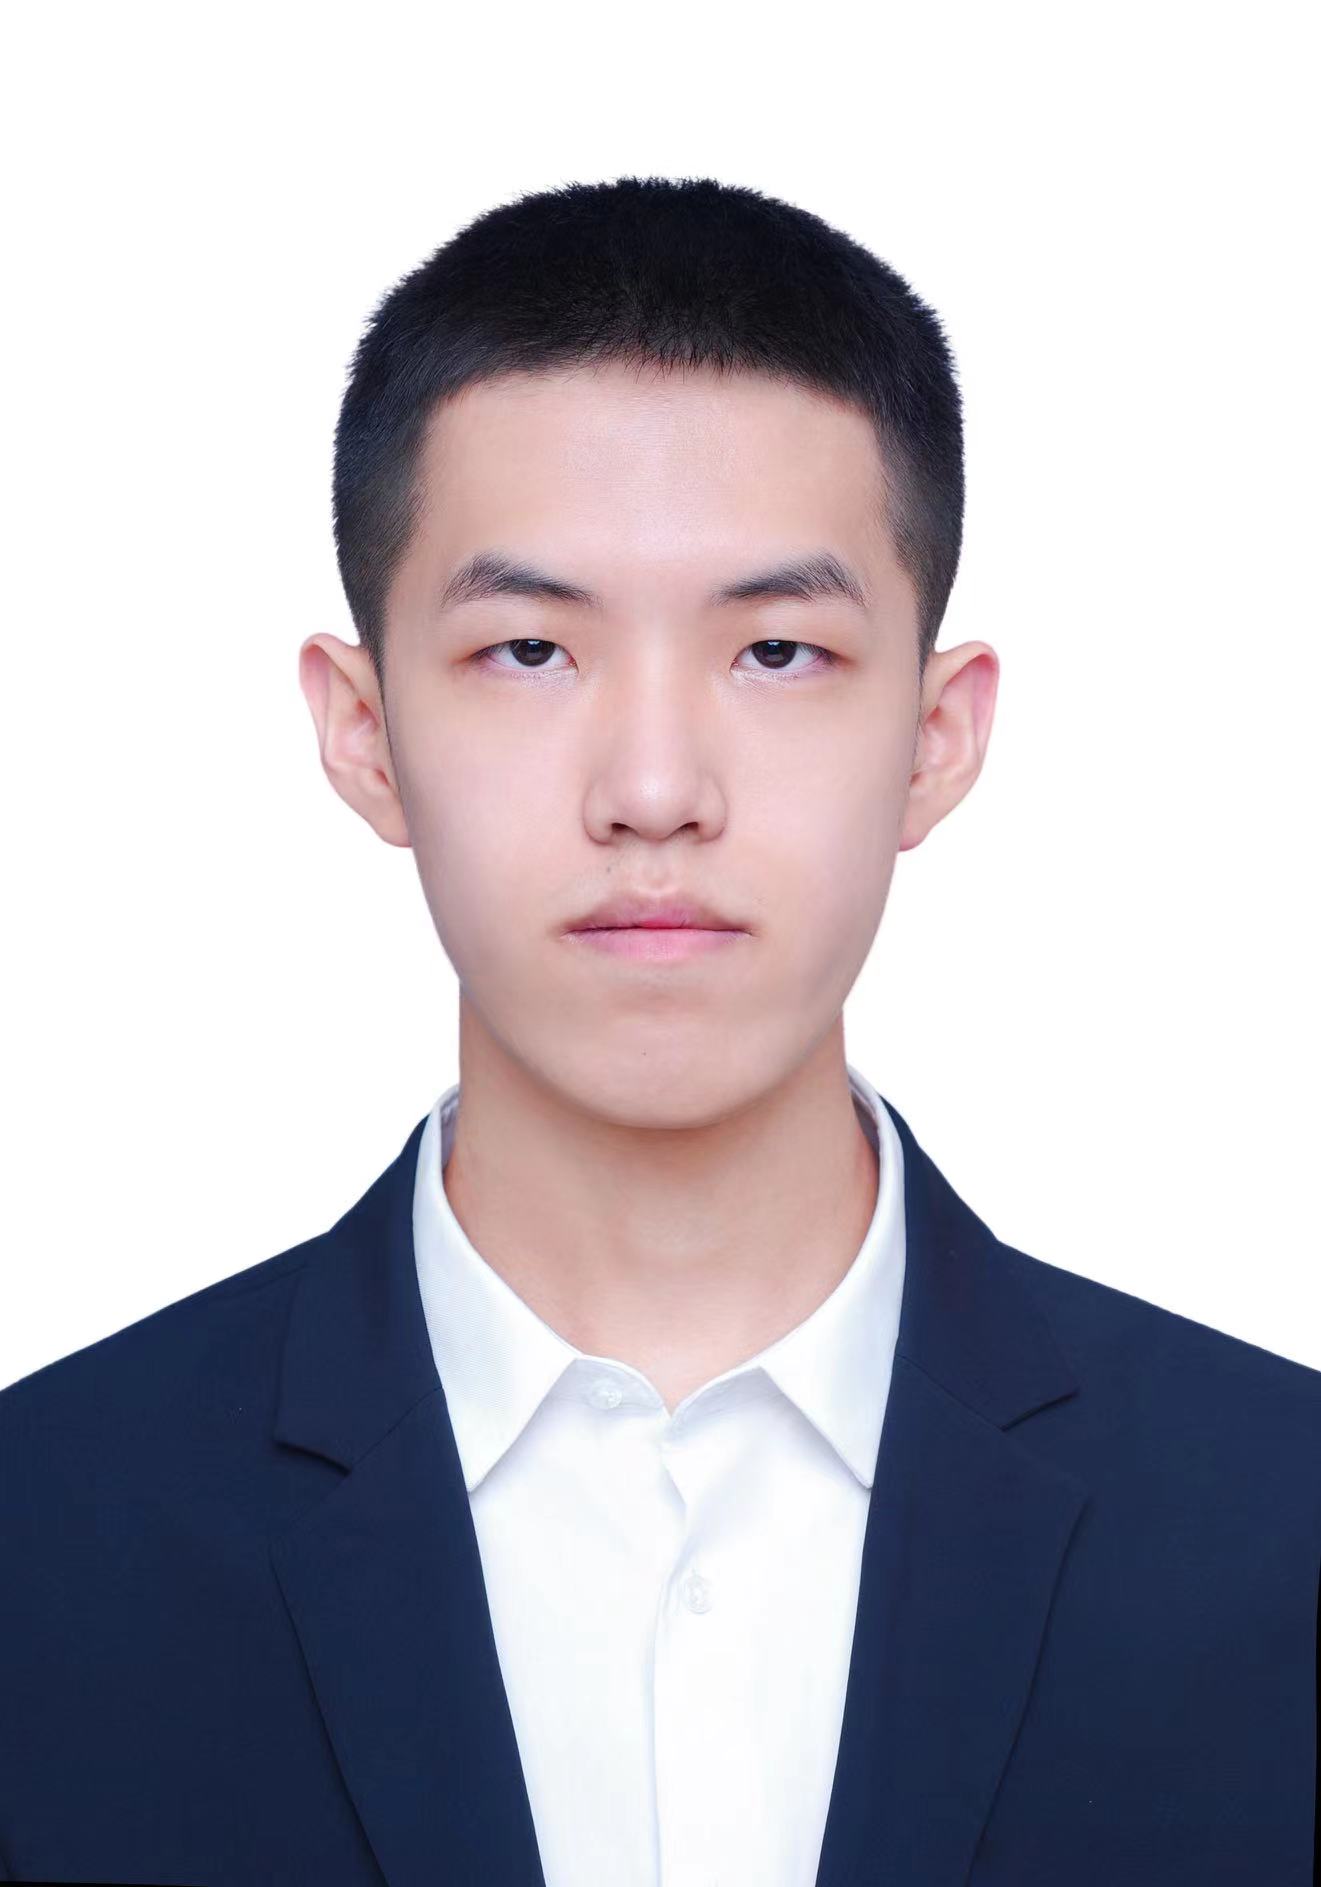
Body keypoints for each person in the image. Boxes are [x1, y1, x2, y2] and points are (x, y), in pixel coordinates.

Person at [1, 173, 1316, 1887]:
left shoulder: (1280, 1527)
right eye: (527, 650)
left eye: (774, 651)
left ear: (935, 738)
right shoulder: (44, 1536)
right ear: (362, 732)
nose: (651, 787)